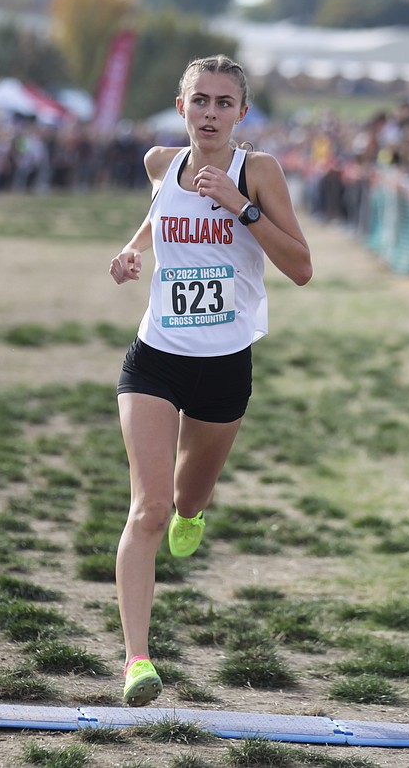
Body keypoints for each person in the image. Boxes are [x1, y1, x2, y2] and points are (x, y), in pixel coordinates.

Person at [107, 54, 312, 707]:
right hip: (156, 355)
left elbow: (302, 267)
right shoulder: (159, 162)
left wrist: (240, 206)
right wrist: (135, 247)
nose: (211, 113)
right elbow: (159, 208)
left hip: (225, 365)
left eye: (225, 102)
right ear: (181, 106)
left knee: (187, 501)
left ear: (242, 114)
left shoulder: (260, 171)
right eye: (201, 100)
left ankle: (191, 513)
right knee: (148, 508)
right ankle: (138, 660)